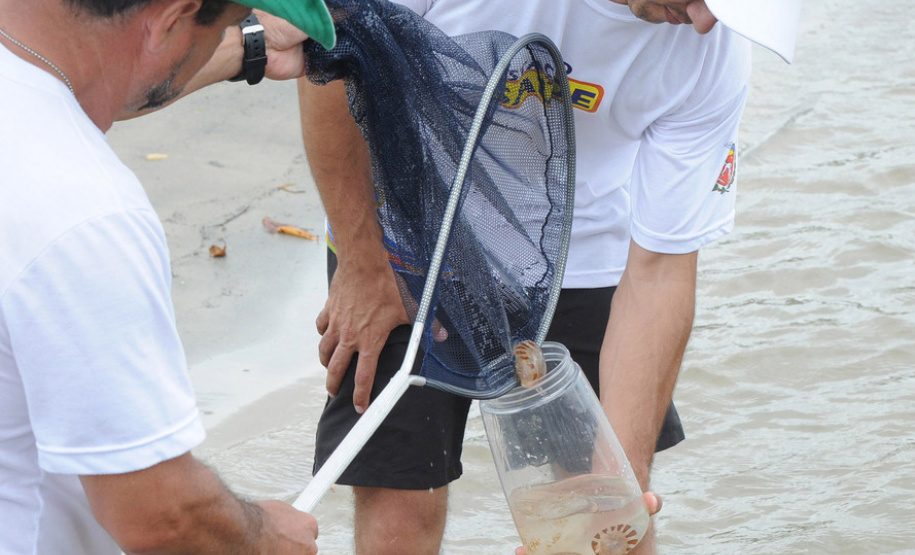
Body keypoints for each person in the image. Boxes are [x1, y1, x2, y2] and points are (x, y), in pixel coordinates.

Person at [297, 0, 801, 554]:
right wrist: (362, 262)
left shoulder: (713, 53)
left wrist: (620, 486)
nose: (705, 21)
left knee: (613, 530)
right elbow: (332, 46)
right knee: (401, 509)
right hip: (404, 229)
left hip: (576, 251)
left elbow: (659, 273)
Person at [0, 0, 336, 553]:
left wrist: (248, 42)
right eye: (229, 22)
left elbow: (105, 67)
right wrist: (267, 538)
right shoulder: (84, 213)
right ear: (175, 15)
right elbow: (162, 516)